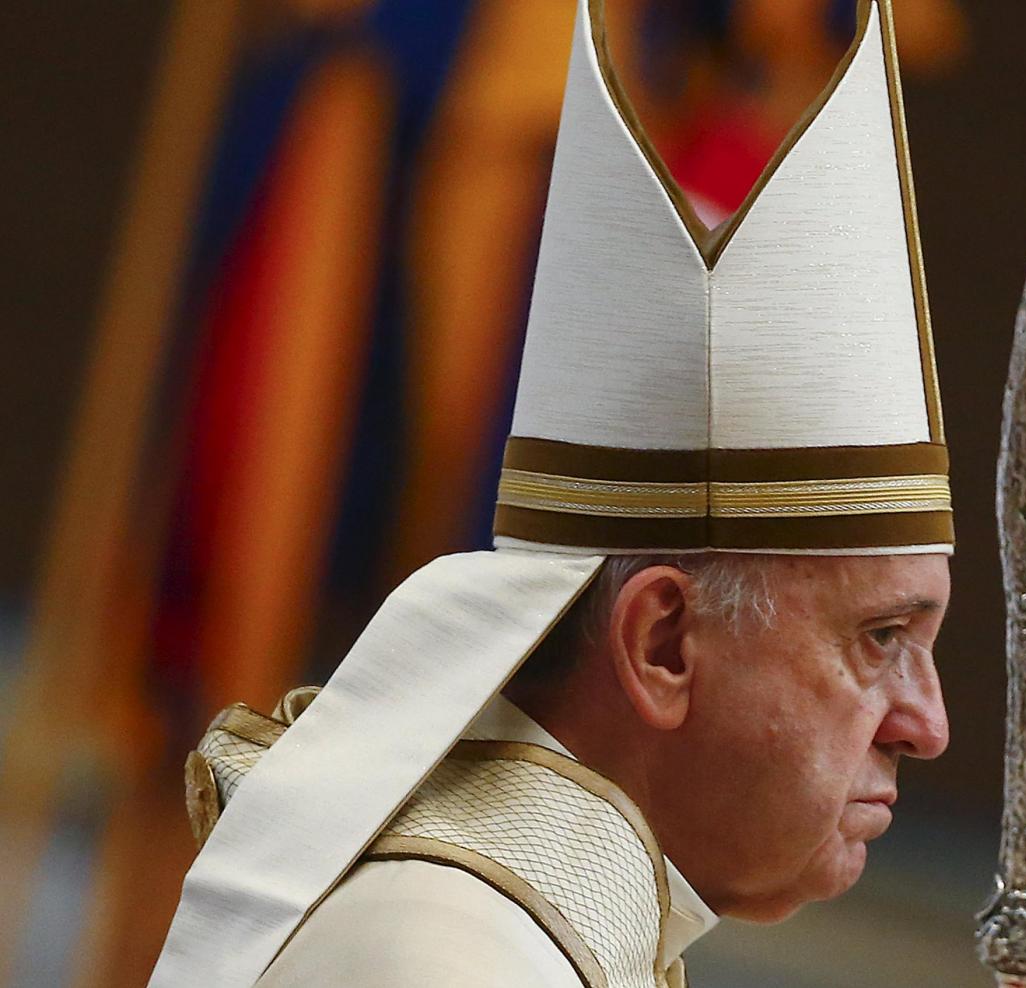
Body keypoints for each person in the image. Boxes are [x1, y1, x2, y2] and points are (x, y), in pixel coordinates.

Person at [151, 0, 955, 985]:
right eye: (880, 637)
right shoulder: (452, 961)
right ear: (661, 641)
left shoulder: (561, 939)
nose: (928, 725)